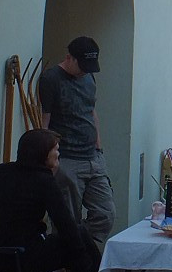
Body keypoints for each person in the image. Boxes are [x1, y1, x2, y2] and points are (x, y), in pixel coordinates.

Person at [0, 129, 100, 272]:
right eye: (56, 151)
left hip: (1, 258)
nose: (58, 155)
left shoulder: (2, 172)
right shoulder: (43, 181)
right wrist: (82, 256)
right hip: (22, 260)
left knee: (80, 234)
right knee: (82, 259)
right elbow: (65, 225)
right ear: (44, 155)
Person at [39, 36, 115, 250]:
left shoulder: (89, 77)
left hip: (93, 156)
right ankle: (69, 269)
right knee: (66, 220)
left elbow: (91, 110)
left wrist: (98, 144)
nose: (84, 71)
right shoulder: (51, 79)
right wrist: (48, 158)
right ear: (69, 58)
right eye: (81, 65)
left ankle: (80, 250)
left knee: (106, 214)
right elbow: (44, 119)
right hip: (67, 158)